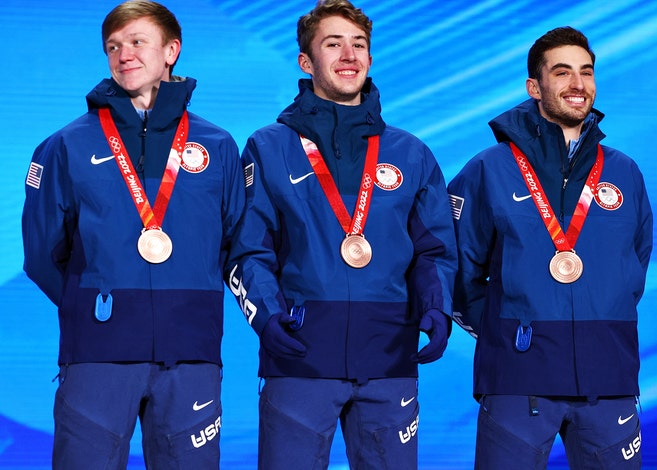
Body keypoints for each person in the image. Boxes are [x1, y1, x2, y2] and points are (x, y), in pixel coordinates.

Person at [225, 0, 457, 467]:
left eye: (359, 45)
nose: (349, 55)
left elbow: (435, 250)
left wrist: (436, 307)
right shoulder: (269, 147)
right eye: (334, 44)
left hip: (389, 358)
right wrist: (267, 316)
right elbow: (247, 250)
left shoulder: (410, 154)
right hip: (300, 356)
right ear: (306, 62)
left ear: (370, 58)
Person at [21, 1, 245, 468]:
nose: (124, 54)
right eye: (113, 46)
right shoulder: (67, 145)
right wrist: (93, 307)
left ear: (171, 51)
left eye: (138, 41)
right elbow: (42, 252)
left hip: (191, 354)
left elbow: (236, 243)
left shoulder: (219, 146)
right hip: (97, 355)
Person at [448, 26, 652, 469]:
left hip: (608, 378)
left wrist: (603, 320)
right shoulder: (488, 169)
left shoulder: (624, 172)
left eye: (586, 72)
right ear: (534, 87)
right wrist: (510, 334)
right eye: (562, 73)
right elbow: (456, 270)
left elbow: (633, 267)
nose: (578, 84)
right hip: (517, 380)